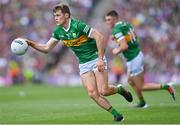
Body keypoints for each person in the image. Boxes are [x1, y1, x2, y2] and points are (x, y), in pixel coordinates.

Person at [22, 4, 133, 122]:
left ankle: (120, 89)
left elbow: (99, 37)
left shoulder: (78, 25)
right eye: (54, 15)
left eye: (58, 15)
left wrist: (100, 58)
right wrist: (30, 43)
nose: (56, 18)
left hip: (96, 58)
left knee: (104, 91)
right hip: (83, 63)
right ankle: (116, 115)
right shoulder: (58, 31)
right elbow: (46, 48)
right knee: (92, 93)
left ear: (67, 15)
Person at [105, 10, 176, 108]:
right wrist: (116, 37)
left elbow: (124, 46)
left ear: (115, 18)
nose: (107, 22)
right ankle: (142, 102)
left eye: (109, 20)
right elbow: (130, 37)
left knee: (141, 86)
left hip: (134, 58)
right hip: (135, 55)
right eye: (106, 20)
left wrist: (116, 50)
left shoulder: (116, 29)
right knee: (130, 81)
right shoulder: (125, 24)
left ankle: (167, 86)